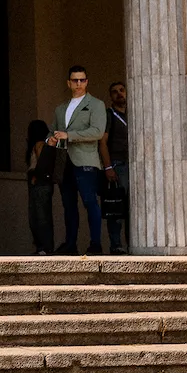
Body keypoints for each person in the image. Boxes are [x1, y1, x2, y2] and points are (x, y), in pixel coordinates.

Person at [48, 65, 106, 255]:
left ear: (87, 82)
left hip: (86, 160)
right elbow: (53, 130)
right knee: (68, 205)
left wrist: (69, 135)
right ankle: (70, 244)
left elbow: (97, 132)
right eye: (75, 80)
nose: (78, 83)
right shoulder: (60, 109)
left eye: (82, 80)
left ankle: (95, 243)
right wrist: (50, 139)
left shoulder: (96, 104)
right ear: (69, 83)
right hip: (64, 160)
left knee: (90, 202)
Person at [99, 81, 129, 255]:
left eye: (122, 90)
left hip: (135, 166)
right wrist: (108, 166)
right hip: (118, 165)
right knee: (116, 206)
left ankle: (133, 244)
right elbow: (102, 142)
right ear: (111, 96)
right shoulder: (109, 115)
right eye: (115, 91)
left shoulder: (133, 113)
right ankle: (116, 245)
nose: (119, 94)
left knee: (134, 209)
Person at [25, 119, 55, 255]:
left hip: (39, 182)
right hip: (42, 182)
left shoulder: (39, 144)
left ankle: (44, 246)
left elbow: (41, 163)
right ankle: (44, 246)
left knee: (40, 216)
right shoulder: (42, 144)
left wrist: (35, 176)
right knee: (40, 214)